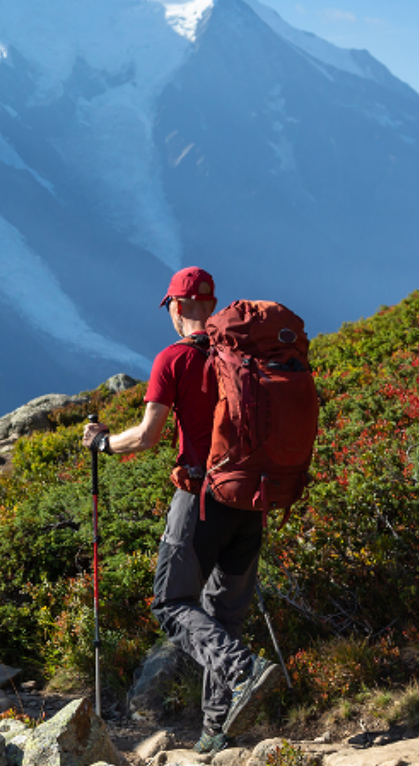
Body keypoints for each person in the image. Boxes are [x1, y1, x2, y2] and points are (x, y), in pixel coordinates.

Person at [81, 266, 279, 753]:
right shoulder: (244, 354)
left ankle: (242, 669)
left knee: (171, 604)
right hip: (252, 499)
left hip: (200, 499)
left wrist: (103, 443)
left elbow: (147, 437)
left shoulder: (174, 359)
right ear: (210, 305)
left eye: (171, 304)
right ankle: (216, 732)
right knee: (223, 615)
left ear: (177, 305)